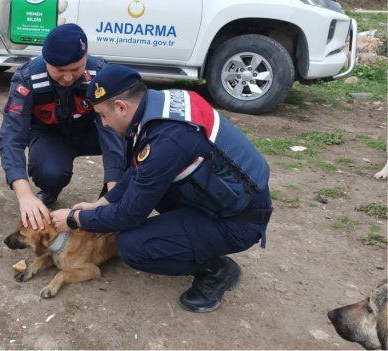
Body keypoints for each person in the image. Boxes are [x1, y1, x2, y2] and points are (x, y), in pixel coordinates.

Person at [52, 65, 273, 313]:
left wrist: (75, 218)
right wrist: (100, 204)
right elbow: (139, 170)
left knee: (132, 246)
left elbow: (128, 215)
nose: (103, 124)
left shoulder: (167, 140)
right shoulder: (159, 105)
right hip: (224, 196)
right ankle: (186, 236)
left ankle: (217, 270)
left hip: (239, 222)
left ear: (121, 107)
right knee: (147, 191)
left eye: (103, 115)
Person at [0, 24, 125, 230]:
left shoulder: (100, 74)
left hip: (90, 132)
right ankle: (50, 189)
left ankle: (110, 201)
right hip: (50, 135)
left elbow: (111, 132)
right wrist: (24, 194)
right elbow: (11, 135)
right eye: (59, 70)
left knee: (130, 139)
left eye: (76, 69)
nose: (68, 77)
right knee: (49, 172)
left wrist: (114, 190)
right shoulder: (28, 79)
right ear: (46, 61)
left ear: (86, 56)